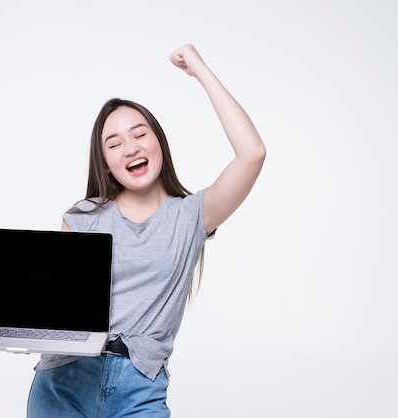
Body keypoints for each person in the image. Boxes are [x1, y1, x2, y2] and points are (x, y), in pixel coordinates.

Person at [26, 43, 266, 417]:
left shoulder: (191, 216)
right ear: (105, 163)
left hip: (139, 386)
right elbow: (53, 304)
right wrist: (22, 326)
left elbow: (253, 153)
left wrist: (200, 71)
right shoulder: (82, 218)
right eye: (114, 143)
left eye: (139, 134)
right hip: (63, 381)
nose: (130, 148)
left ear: (158, 141)